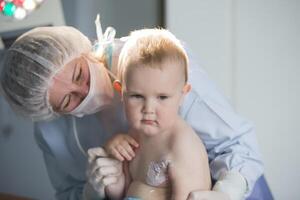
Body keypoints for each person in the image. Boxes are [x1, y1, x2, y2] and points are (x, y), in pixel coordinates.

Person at [0, 24, 272, 200]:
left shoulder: (155, 63)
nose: (83, 91)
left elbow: (239, 145)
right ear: (51, 110)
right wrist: (94, 190)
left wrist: (228, 191)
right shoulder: (51, 129)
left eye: (79, 74)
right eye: (68, 100)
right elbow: (71, 192)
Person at [103, 28, 211, 199]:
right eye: (137, 96)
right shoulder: (134, 136)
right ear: (121, 92)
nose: (148, 109)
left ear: (183, 95)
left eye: (162, 97)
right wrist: (114, 170)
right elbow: (121, 193)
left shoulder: (182, 146)